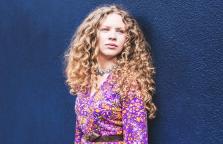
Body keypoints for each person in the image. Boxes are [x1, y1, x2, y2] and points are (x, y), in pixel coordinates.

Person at [64, 4, 157, 144]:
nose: (112, 36)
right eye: (105, 29)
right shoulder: (86, 79)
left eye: (120, 31)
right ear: (92, 34)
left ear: (128, 39)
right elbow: (80, 133)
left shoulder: (128, 82)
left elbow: (137, 139)